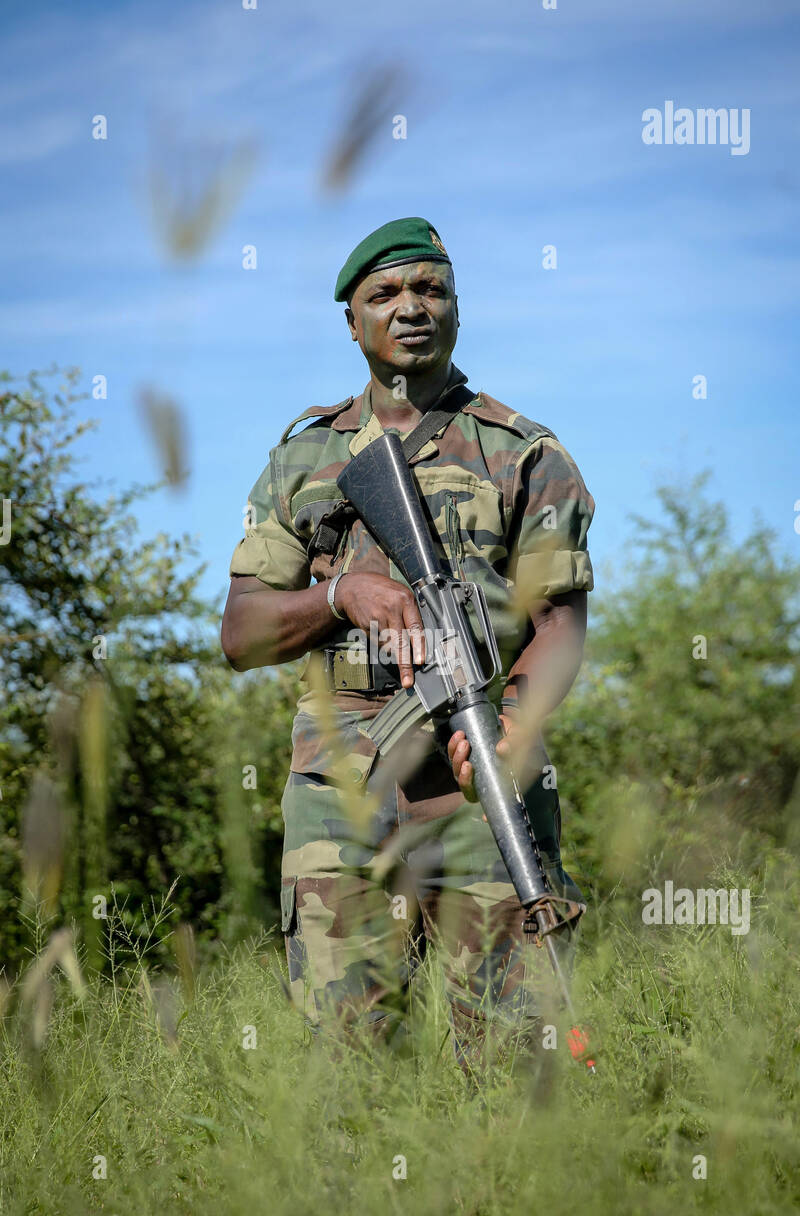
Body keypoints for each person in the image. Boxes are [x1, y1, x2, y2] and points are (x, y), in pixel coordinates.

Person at [221, 216, 595, 1072]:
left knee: (515, 1057)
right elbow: (242, 634)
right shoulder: (303, 460)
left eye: (431, 289)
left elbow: (560, 627)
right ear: (351, 322)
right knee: (345, 1064)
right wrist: (341, 596)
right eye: (384, 294)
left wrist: (511, 728)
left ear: (459, 308)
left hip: (480, 777)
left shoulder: (526, 453)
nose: (410, 307)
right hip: (339, 792)